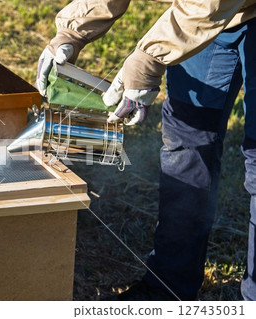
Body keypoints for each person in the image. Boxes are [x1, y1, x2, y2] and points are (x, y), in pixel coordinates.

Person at [36, 0, 256, 301]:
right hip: (204, 18)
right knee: (187, 140)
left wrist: (149, 58)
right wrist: (73, 30)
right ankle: (168, 289)